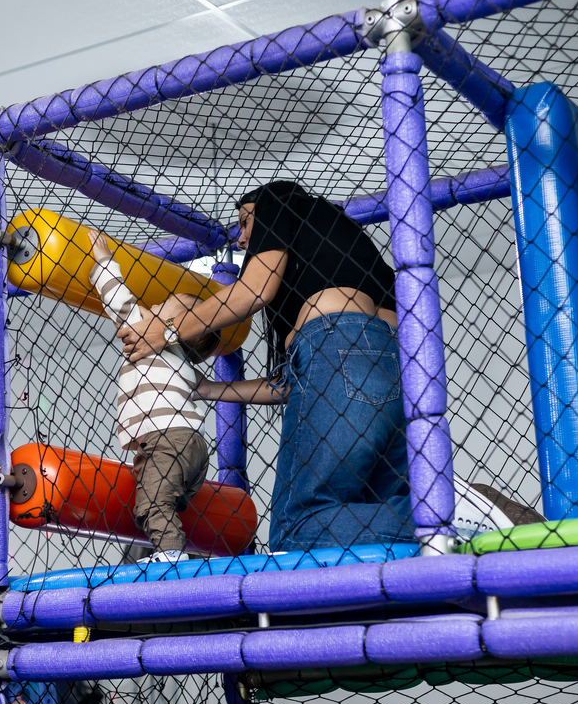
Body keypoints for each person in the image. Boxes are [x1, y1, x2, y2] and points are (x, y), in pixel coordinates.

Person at [119, 181, 539, 552]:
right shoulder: (338, 252)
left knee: (298, 528)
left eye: (244, 225)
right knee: (362, 517)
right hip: (399, 368)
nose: (244, 239)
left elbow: (253, 291)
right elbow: (290, 385)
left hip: (339, 350)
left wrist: (167, 331)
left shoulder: (279, 206)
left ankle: (454, 512)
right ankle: (462, 517)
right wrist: (206, 390)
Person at [87, 230, 221, 563]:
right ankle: (173, 551)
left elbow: (119, 301)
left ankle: (172, 557)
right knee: (161, 504)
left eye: (163, 306)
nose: (153, 305)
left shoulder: (152, 338)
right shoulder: (183, 362)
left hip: (167, 439)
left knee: (152, 504)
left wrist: (103, 261)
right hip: (192, 447)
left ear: (174, 328)